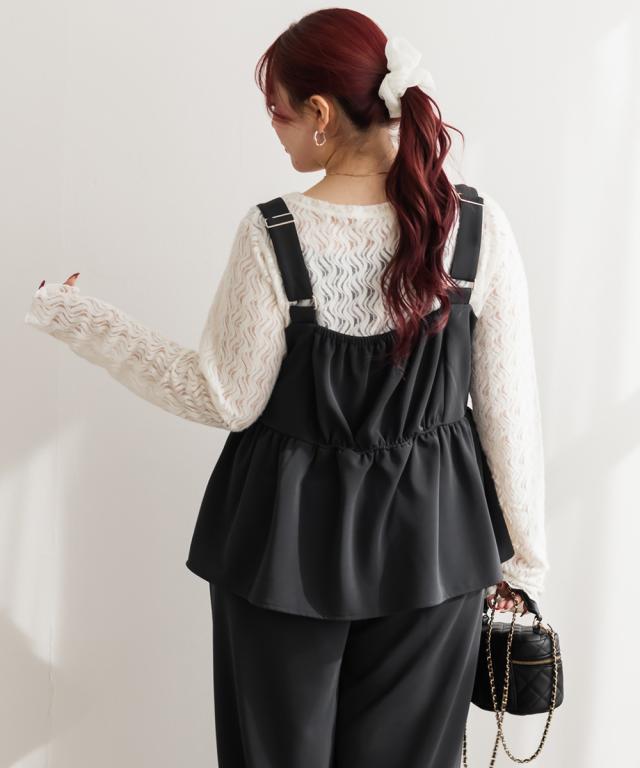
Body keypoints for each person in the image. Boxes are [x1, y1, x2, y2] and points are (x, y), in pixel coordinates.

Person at [24, 9, 549, 767]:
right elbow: (510, 411)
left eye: (277, 111)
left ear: (321, 114)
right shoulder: (476, 227)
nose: (275, 131)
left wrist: (79, 319)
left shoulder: (273, 232)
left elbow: (224, 397)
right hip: (436, 544)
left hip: (283, 543)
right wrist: (523, 564)